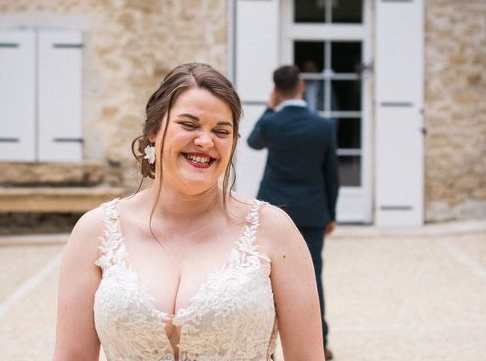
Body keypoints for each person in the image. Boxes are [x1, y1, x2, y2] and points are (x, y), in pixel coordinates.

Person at [53, 62, 325, 361]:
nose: (206, 141)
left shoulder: (273, 229)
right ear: (154, 131)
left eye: (221, 131)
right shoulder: (96, 230)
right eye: (189, 124)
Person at [247, 65, 340, 360]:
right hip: (312, 211)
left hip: (273, 209)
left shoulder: (271, 123)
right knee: (312, 277)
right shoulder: (323, 126)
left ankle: (266, 345)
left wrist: (267, 108)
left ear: (275, 90)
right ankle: (319, 345)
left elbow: (252, 142)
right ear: (301, 85)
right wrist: (330, 213)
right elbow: (332, 175)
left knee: (268, 278)